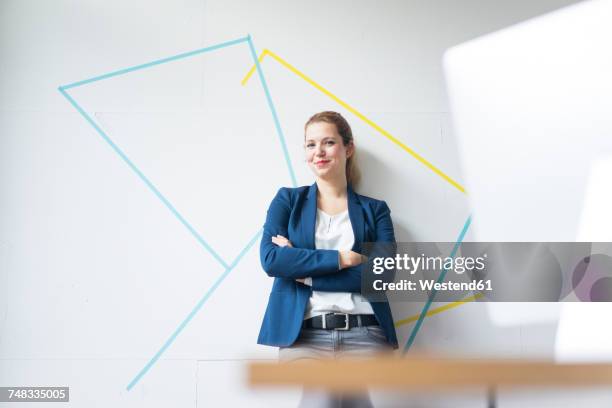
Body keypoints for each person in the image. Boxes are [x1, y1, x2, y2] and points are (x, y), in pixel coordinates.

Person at [257, 111, 398, 407]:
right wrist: (343, 258)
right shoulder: (287, 201)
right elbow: (272, 260)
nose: (318, 152)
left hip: (365, 331)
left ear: (348, 148)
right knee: (320, 400)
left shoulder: (376, 210)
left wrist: (305, 270)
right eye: (310, 144)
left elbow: (382, 275)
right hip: (305, 335)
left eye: (328, 142)